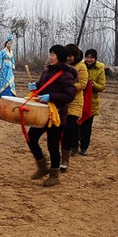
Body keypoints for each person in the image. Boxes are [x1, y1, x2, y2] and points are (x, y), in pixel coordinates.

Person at [26, 45, 77, 187]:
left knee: (52, 144)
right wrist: (35, 86)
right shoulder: (47, 71)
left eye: (53, 54)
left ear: (60, 57)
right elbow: (44, 85)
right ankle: (42, 166)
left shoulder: (66, 74)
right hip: (43, 112)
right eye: (50, 53)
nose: (50, 57)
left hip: (57, 114)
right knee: (32, 138)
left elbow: (70, 95)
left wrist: (51, 97)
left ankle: (54, 174)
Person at [60, 44, 88, 172]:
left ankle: (65, 159)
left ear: (76, 56)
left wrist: (68, 87)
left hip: (75, 102)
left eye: (71, 56)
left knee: (69, 129)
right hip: (61, 101)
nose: (69, 58)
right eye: (67, 56)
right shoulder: (62, 65)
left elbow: (82, 84)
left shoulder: (81, 67)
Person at [79, 49, 106, 156]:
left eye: (91, 57)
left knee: (87, 127)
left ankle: (84, 147)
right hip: (79, 102)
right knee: (76, 126)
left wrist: (93, 85)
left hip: (91, 103)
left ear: (95, 59)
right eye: (87, 57)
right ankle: (74, 146)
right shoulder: (80, 67)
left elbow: (102, 86)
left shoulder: (100, 69)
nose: (89, 59)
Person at [0, 35, 16, 102]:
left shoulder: (12, 52)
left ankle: (10, 95)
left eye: (10, 44)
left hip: (9, 68)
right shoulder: (3, 51)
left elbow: (13, 59)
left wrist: (13, 65)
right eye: (8, 43)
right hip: (4, 68)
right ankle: (1, 95)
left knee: (11, 80)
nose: (9, 45)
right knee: (3, 81)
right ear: (6, 44)